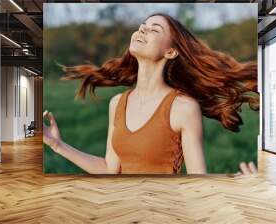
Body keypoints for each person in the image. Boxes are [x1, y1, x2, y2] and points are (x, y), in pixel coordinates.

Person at [43, 13, 258, 175]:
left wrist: (237, 186)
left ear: (171, 51)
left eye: (154, 30)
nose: (142, 30)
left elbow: (198, 182)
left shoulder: (182, 107)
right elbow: (110, 169)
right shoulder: (117, 103)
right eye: (142, 26)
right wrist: (57, 145)